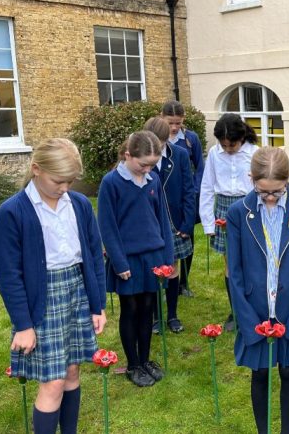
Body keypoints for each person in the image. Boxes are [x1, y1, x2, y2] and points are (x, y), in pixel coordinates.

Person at [0, 138, 106, 434]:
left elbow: (93, 255)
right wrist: (23, 325)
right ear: (36, 170)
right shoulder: (13, 212)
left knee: (71, 372)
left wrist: (98, 305)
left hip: (77, 292)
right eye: (59, 180)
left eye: (70, 181)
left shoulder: (79, 205)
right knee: (52, 382)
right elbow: (8, 274)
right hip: (43, 301)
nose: (65, 188)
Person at [226, 147, 289, 434]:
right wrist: (246, 321)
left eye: (276, 192)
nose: (269, 198)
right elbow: (236, 271)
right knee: (261, 372)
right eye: (262, 191)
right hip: (255, 309)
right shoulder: (238, 213)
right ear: (251, 178)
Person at [97, 131, 175, 387]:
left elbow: (163, 220)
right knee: (130, 310)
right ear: (128, 155)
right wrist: (119, 263)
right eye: (143, 164)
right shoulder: (111, 183)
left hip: (153, 257)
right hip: (128, 261)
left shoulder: (153, 179)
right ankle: (133, 364)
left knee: (148, 308)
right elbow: (107, 227)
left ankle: (145, 359)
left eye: (152, 164)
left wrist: (167, 258)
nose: (147, 169)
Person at [199, 113, 259, 331]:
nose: (228, 148)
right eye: (223, 144)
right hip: (224, 209)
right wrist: (208, 223)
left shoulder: (255, 153)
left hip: (250, 206)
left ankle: (253, 308)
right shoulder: (215, 155)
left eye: (231, 144)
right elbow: (207, 187)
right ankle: (236, 312)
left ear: (241, 137)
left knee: (252, 262)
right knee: (230, 264)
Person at [144, 117, 195, 334]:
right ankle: (156, 317)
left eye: (161, 144)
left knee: (172, 269)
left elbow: (188, 189)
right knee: (156, 270)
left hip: (174, 222)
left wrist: (187, 223)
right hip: (150, 224)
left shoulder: (180, 155)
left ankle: (172, 315)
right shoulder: (141, 159)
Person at [162, 100, 204, 297]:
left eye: (177, 123)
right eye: (170, 123)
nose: (174, 127)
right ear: (161, 118)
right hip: (164, 196)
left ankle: (183, 283)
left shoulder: (190, 139)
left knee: (187, 238)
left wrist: (195, 191)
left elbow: (200, 167)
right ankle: (166, 281)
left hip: (187, 197)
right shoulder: (155, 138)